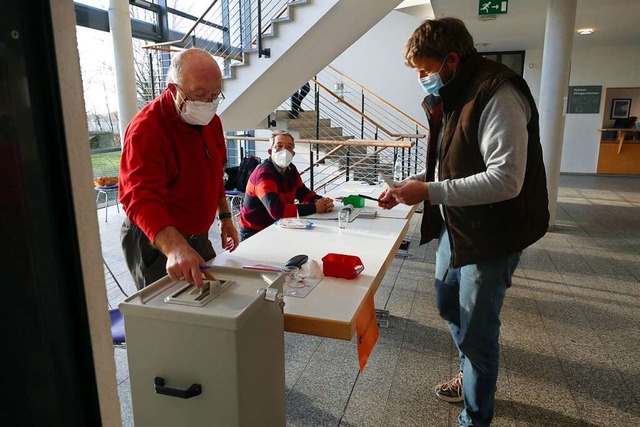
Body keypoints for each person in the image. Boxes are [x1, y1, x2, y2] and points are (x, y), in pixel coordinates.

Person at [378, 18, 549, 427]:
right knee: (446, 303)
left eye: (423, 70)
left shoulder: (498, 93)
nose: (421, 79)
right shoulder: (455, 92)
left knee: (477, 329)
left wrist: (430, 193)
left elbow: (506, 180)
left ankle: (476, 416)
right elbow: (453, 162)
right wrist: (415, 184)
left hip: (494, 233)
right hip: (458, 227)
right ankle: (469, 370)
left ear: (451, 59)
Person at [119, 47, 239, 290]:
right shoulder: (146, 129)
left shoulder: (212, 122)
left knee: (214, 296)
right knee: (169, 318)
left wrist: (225, 216)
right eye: (200, 93)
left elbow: (215, 173)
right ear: (174, 89)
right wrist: (175, 247)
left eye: (215, 94)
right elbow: (138, 197)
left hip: (198, 235)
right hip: (157, 238)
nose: (208, 102)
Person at [238, 130, 334, 240]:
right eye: (279, 146)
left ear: (293, 153)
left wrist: (322, 201)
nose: (284, 151)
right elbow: (276, 211)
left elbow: (302, 193)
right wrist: (315, 208)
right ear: (270, 151)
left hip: (279, 226)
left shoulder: (291, 169)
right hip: (255, 232)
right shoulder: (263, 174)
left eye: (289, 147)